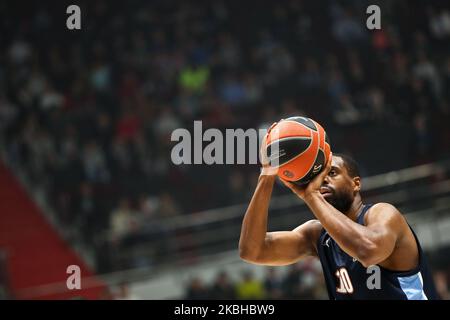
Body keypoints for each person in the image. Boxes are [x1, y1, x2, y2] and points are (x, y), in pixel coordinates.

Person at [238, 129, 440, 300]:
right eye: (318, 177)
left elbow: (368, 251)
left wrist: (311, 196)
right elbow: (252, 251)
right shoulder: (317, 235)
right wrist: (266, 177)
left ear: (356, 183)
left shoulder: (382, 213)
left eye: (332, 173)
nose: (322, 181)